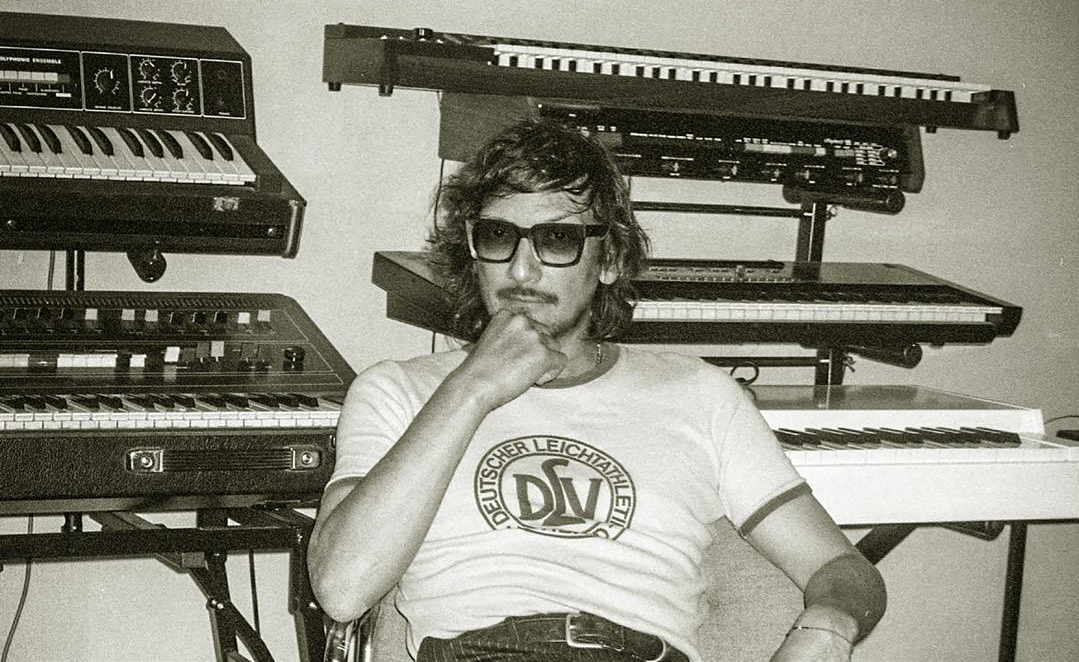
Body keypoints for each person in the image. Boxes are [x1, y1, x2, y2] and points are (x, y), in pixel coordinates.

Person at [307, 120, 886, 662]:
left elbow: (840, 567)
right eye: (498, 236)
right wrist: (472, 389)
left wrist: (827, 629)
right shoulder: (397, 390)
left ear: (608, 259)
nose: (522, 270)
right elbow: (342, 589)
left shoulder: (702, 394)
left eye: (557, 240)